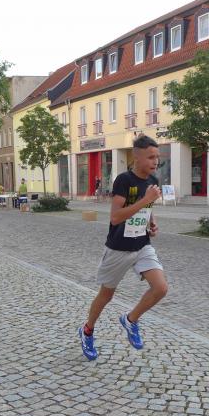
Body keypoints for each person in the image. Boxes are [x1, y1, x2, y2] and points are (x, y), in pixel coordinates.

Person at [77, 135, 168, 361]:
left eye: (157, 157)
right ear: (136, 157)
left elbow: (147, 209)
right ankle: (87, 331)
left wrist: (152, 223)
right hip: (118, 248)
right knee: (106, 295)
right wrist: (145, 200)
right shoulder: (124, 180)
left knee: (160, 288)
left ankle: (130, 319)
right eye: (150, 157)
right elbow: (116, 217)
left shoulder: (152, 180)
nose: (155, 161)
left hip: (142, 245)